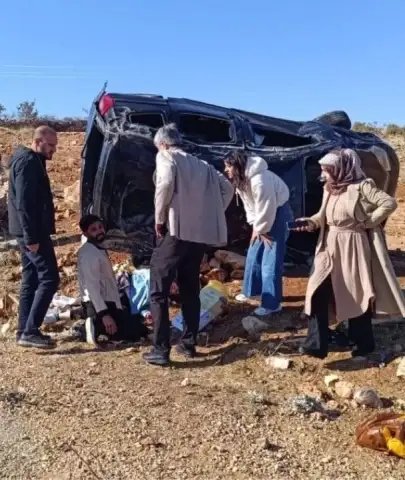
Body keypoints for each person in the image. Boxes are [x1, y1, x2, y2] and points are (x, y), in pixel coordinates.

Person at [295, 148, 405, 359]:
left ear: (341, 169)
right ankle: (316, 344)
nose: (323, 174)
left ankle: (363, 343)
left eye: (327, 170)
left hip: (353, 244)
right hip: (328, 245)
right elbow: (322, 215)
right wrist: (310, 223)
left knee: (355, 293)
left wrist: (369, 222)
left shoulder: (362, 186)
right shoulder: (329, 188)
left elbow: (388, 203)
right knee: (316, 290)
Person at [143, 123, 234, 366]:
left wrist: (160, 219)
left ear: (162, 144)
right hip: (198, 237)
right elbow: (227, 188)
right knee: (190, 289)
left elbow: (163, 186)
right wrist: (209, 213)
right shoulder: (202, 164)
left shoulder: (166, 157)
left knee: (159, 289)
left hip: (176, 231)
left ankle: (160, 349)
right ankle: (188, 343)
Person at [8, 126, 60, 348]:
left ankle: (23, 331)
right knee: (50, 277)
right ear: (38, 142)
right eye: (51, 146)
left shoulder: (32, 161)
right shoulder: (28, 162)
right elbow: (25, 204)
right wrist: (31, 238)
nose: (54, 150)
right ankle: (31, 330)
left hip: (29, 231)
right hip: (32, 233)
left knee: (31, 279)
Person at [224, 151, 293, 316]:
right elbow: (249, 205)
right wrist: (255, 226)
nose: (226, 170)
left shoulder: (259, 180)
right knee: (254, 251)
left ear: (238, 166)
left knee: (270, 259)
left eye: (228, 166)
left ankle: (272, 304)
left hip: (277, 214)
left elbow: (268, 206)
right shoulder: (241, 180)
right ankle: (252, 292)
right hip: (263, 217)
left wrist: (261, 229)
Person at [77, 214, 149, 344]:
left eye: (100, 227)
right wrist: (104, 315)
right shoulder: (89, 254)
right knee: (133, 333)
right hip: (99, 304)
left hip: (108, 301)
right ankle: (91, 326)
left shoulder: (97, 247)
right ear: (86, 233)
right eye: (93, 229)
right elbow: (92, 287)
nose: (99, 231)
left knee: (139, 327)